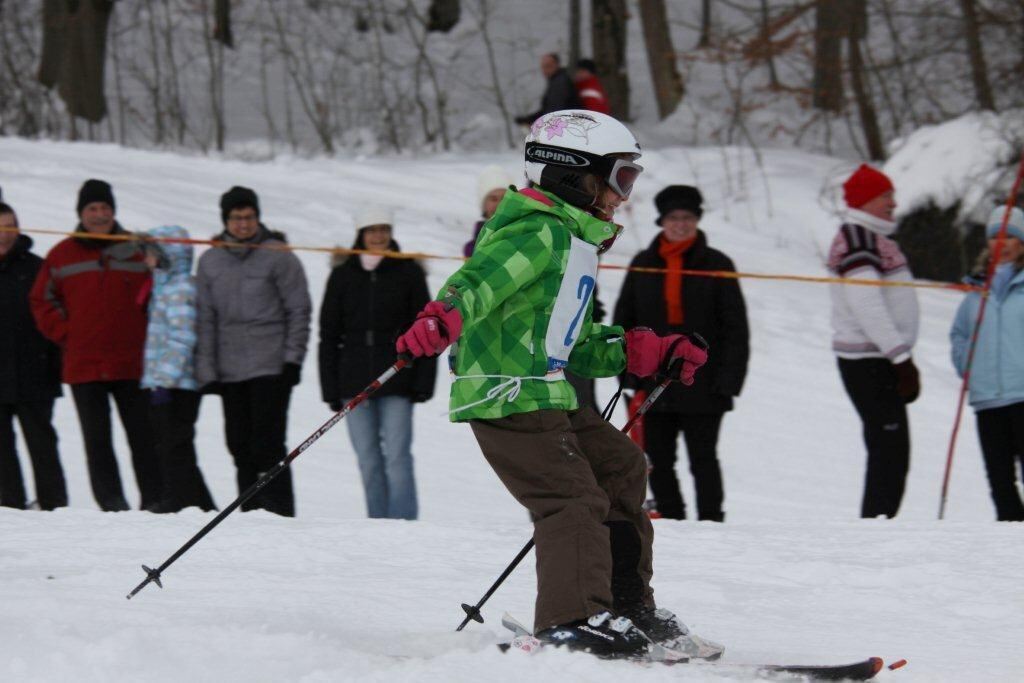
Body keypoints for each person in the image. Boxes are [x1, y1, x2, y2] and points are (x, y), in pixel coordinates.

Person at [395, 109, 722, 660]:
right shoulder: (535, 230)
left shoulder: (573, 241)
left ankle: (624, 605)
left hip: (545, 390)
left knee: (622, 466)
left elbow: (574, 340)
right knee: (572, 497)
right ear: (573, 174)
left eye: (631, 178)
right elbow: (476, 281)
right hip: (504, 391)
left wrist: (646, 350)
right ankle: (570, 620)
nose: (625, 194)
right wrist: (442, 316)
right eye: (619, 177)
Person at [613, 186, 749, 522]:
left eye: (687, 217)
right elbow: (624, 321)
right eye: (674, 218)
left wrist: (729, 380)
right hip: (654, 377)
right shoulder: (644, 264)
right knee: (658, 456)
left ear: (698, 220)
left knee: (704, 457)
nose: (680, 224)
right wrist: (628, 374)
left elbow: (736, 329)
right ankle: (672, 518)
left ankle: (711, 520)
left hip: (706, 380)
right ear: (662, 221)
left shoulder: (717, 263)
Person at [30, 179, 159, 512]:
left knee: (143, 437)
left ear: (113, 211)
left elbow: (161, 294)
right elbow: (42, 301)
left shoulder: (137, 249)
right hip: (84, 365)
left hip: (132, 363)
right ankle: (112, 503)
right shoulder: (61, 254)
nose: (100, 214)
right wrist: (68, 334)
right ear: (81, 213)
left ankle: (156, 500)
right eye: (92, 209)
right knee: (97, 441)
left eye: (105, 208)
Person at [196, 186, 311, 517]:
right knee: (239, 445)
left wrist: (293, 359)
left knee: (268, 443)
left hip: (270, 364)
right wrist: (207, 370)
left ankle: (279, 511)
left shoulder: (278, 254)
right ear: (225, 220)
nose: (243, 224)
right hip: (229, 367)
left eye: (249, 217)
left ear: (258, 218)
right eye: (236, 218)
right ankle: (249, 511)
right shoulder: (211, 260)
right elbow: (205, 318)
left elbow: (298, 309)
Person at [319, 207, 437, 520]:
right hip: (353, 378)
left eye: (384, 229)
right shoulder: (343, 273)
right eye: (372, 229)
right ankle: (378, 524)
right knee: (368, 458)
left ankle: (403, 523)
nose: (378, 236)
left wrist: (424, 380)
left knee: (397, 457)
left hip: (398, 375)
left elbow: (427, 327)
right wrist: (330, 387)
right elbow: (328, 334)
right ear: (361, 233)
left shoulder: (408, 271)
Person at [827, 164, 920, 519]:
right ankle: (877, 524)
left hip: (879, 359)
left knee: (891, 447)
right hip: (869, 360)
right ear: (865, 200)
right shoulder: (858, 238)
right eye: (886, 196)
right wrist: (901, 358)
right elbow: (866, 303)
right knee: (890, 446)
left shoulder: (870, 236)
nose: (893, 203)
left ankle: (880, 521)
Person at [950, 205, 1024, 521]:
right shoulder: (975, 290)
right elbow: (959, 335)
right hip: (987, 399)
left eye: (1010, 236)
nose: (1001, 243)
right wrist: (969, 367)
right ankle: (1011, 537)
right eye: (995, 236)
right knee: (998, 478)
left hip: (1022, 394)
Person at [140, 225, 215, 513]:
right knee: (171, 444)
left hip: (177, 384)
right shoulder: (164, 285)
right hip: (165, 381)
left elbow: (183, 336)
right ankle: (199, 504)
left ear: (167, 255)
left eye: (150, 253)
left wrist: (163, 380)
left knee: (175, 445)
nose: (146, 259)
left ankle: (180, 501)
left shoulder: (181, 288)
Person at [0, 201, 67, 510]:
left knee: (42, 445)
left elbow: (55, 315)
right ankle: (10, 507)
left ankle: (54, 506)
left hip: (35, 373)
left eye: (9, 227)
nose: (4, 235)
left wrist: (54, 364)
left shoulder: (37, 267)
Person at [513, 53, 581, 125]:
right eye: (543, 67)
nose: (545, 70)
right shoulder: (556, 82)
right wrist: (529, 119)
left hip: (565, 126)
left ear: (557, 65)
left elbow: (555, 111)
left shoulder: (560, 83)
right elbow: (547, 110)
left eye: (548, 66)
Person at [463, 165, 512, 258]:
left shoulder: (525, 230)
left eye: (504, 198)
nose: (499, 205)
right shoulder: (476, 242)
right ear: (484, 205)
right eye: (493, 199)